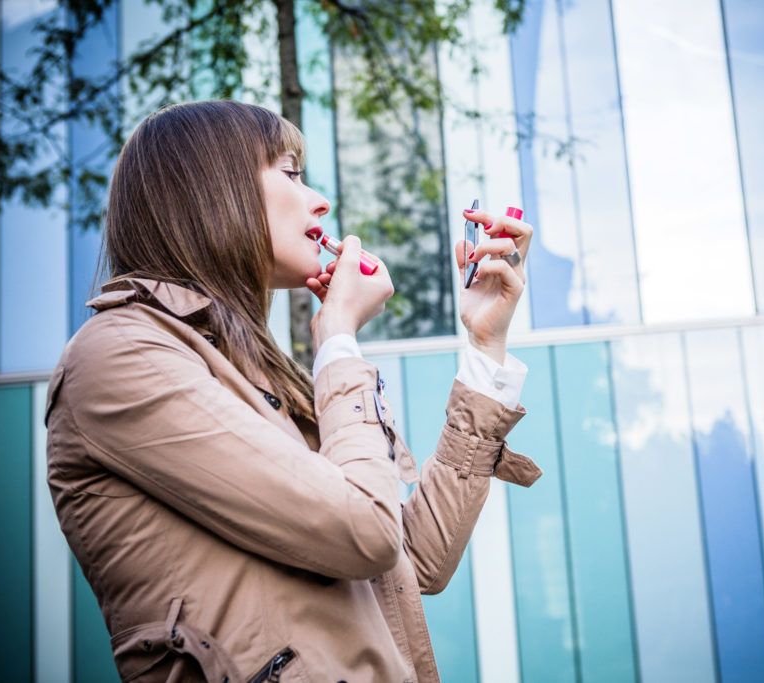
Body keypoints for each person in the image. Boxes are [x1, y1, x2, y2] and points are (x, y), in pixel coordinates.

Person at [43, 100, 542, 682]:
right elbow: (367, 532)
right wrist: (336, 340)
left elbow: (414, 559)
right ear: (211, 191)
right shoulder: (120, 357)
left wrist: (485, 349)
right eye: (289, 172)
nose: (320, 201)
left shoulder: (246, 368)